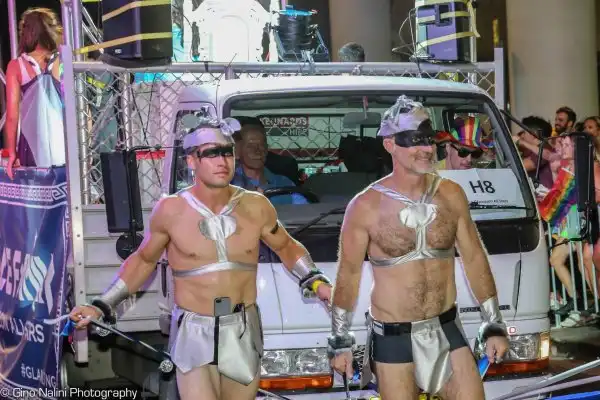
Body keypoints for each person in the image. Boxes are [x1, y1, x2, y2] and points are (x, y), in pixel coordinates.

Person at [69, 118, 332, 400]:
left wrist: (317, 281)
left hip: (242, 328)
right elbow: (143, 260)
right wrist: (102, 304)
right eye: (211, 153)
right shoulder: (171, 210)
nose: (222, 161)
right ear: (192, 160)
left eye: (227, 152)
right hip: (193, 330)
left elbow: (287, 247)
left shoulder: (256, 206)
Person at [327, 96, 509, 399]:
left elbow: (474, 257)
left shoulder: (451, 195)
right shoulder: (365, 206)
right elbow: (348, 275)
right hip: (394, 337)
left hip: (446, 329)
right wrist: (340, 337)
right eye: (414, 141)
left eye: (429, 140)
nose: (426, 149)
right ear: (390, 145)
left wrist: (494, 322)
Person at [4, 8, 64, 179]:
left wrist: (11, 153)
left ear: (27, 33)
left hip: (32, 145)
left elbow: (12, 117)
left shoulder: (16, 66)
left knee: (36, 191)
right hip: (65, 143)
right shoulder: (64, 61)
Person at [231, 122, 307, 205]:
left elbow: (305, 210)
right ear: (236, 152)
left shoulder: (284, 183)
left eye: (261, 145)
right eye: (250, 146)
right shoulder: (228, 184)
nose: (258, 150)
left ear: (267, 149)